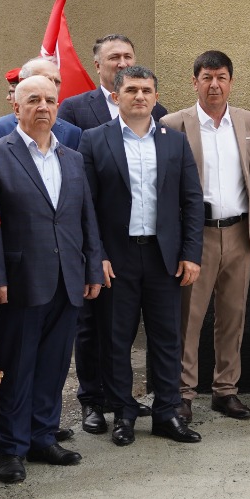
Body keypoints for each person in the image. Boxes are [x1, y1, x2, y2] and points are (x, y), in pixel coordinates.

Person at [0, 75, 106, 484]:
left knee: (52, 366)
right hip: (19, 281)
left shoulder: (72, 157)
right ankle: (10, 447)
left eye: (50, 100)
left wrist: (92, 265)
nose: (43, 107)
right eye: (34, 100)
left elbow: (86, 217)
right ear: (16, 106)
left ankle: (42, 436)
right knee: (14, 366)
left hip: (67, 278)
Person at [81, 65, 204, 446]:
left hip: (163, 258)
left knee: (167, 338)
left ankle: (167, 413)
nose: (140, 96)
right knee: (116, 341)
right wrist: (96, 255)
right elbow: (86, 206)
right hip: (116, 260)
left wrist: (191, 253)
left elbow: (191, 200)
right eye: (132, 89)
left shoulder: (173, 141)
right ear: (115, 96)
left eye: (147, 90)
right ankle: (124, 414)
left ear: (155, 96)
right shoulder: (93, 140)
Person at [160, 51, 250, 422]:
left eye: (221, 77)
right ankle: (182, 393)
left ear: (230, 81)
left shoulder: (247, 121)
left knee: (233, 315)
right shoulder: (174, 124)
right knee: (189, 317)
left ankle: (225, 390)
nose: (214, 84)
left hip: (238, 232)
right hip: (195, 235)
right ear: (194, 81)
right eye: (206, 77)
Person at [58, 34, 168, 132]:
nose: (123, 64)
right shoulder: (74, 108)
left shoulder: (157, 110)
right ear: (97, 66)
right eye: (115, 57)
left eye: (127, 57)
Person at [0, 59, 83, 154]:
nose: (52, 85)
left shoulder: (73, 133)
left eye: (57, 82)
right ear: (23, 81)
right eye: (46, 78)